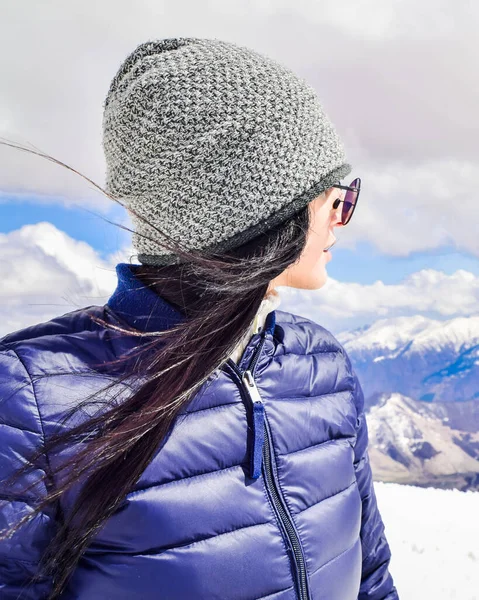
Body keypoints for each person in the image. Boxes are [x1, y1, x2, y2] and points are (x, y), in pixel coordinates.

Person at [0, 37, 399, 599]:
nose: (343, 218)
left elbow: (372, 576)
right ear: (258, 211)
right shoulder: (31, 399)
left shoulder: (322, 365)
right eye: (338, 197)